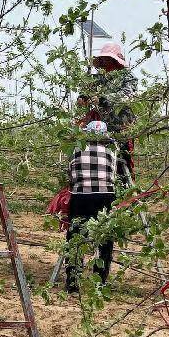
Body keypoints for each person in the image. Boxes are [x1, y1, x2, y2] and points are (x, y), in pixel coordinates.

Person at [64, 121, 127, 293]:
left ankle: (73, 282)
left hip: (80, 197)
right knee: (105, 238)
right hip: (105, 197)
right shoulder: (111, 152)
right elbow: (113, 175)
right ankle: (100, 281)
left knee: (75, 238)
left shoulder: (75, 151)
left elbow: (70, 175)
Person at [78, 42, 137, 176]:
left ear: (114, 60)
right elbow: (88, 90)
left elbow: (128, 95)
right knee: (102, 159)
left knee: (123, 160)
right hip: (101, 128)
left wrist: (104, 99)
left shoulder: (127, 76)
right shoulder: (99, 78)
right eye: (103, 59)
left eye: (107, 59)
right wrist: (83, 97)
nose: (104, 62)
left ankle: (126, 191)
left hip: (122, 126)